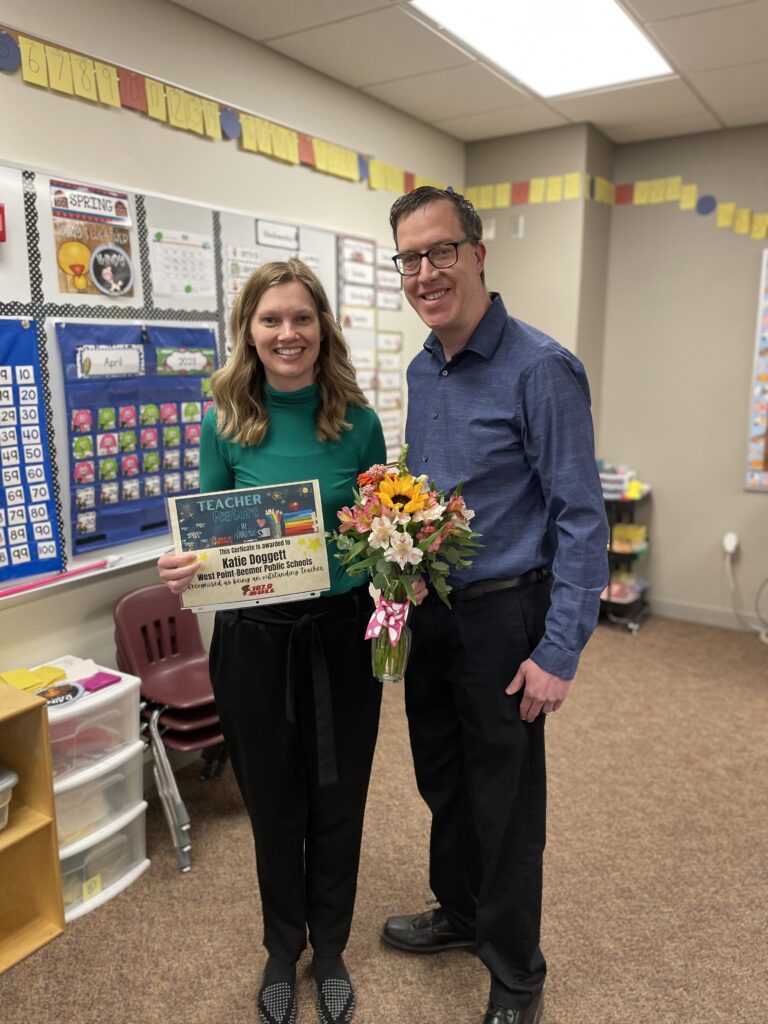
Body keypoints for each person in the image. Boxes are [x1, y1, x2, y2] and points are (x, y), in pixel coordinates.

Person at [381, 187, 609, 1024]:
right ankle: (461, 911)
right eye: (410, 258)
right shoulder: (422, 368)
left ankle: (516, 974)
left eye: (441, 251)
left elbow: (581, 518)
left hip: (506, 618)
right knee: (443, 778)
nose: (426, 273)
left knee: (505, 804)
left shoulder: (541, 368)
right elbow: (428, 493)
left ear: (477, 254)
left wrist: (559, 652)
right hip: (434, 612)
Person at [158, 258, 388, 1024]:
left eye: (301, 317)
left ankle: (331, 948)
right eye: (271, 319)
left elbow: (378, 535)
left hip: (338, 638)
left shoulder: (359, 423)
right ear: (249, 332)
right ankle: (281, 949)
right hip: (253, 642)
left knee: (339, 800)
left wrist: (398, 559)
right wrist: (184, 566)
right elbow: (210, 537)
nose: (287, 333)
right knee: (274, 804)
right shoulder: (224, 420)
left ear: (322, 328)